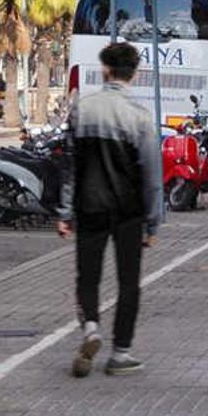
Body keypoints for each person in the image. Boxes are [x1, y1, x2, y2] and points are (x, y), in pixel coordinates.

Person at [57, 42, 162, 378]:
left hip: (89, 206)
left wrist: (64, 212)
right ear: (136, 72)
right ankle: (120, 353)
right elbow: (152, 176)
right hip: (129, 211)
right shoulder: (141, 116)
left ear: (105, 70)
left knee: (87, 275)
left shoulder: (81, 110)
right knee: (129, 281)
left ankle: (90, 326)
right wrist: (154, 222)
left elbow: (70, 166)